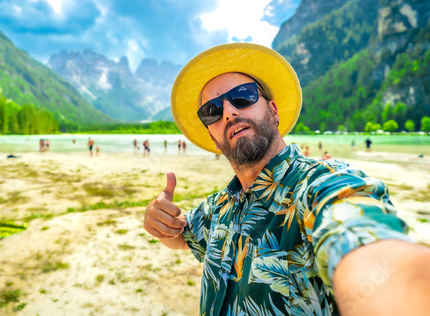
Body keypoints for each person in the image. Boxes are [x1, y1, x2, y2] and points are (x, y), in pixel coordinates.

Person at [143, 43, 430, 316]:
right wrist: (160, 222)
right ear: (212, 135)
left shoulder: (319, 185)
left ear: (274, 111)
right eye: (212, 111)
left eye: (243, 96)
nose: (229, 112)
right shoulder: (218, 207)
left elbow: (363, 242)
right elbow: (183, 237)